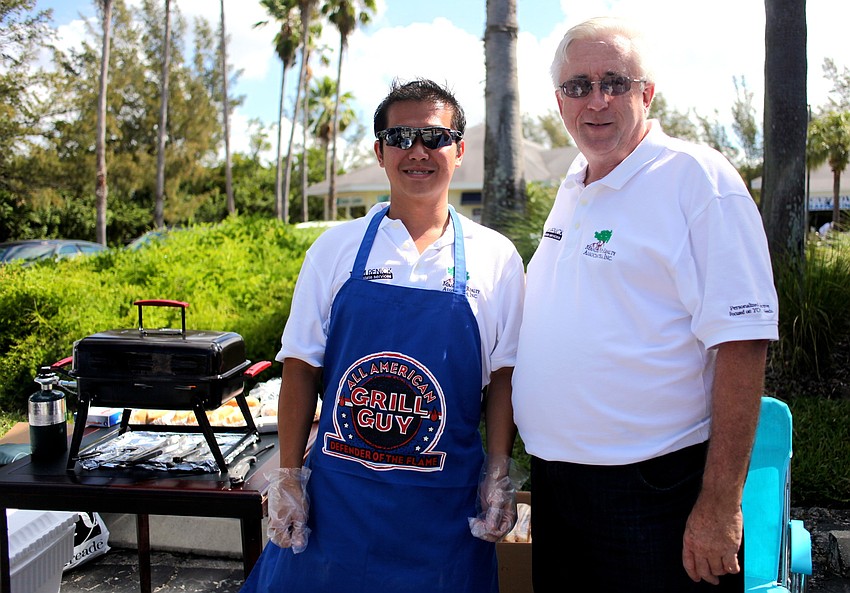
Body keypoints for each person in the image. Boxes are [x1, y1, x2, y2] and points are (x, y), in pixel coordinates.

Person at [511, 16, 779, 592]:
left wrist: (718, 507)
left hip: (656, 495)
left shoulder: (697, 179)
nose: (597, 100)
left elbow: (743, 342)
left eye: (615, 81)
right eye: (578, 86)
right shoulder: (573, 186)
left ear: (647, 93)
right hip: (559, 489)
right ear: (560, 102)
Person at [240, 78, 526, 593]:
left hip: (444, 506)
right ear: (379, 151)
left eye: (434, 138)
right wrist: (289, 480)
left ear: (459, 150)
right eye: (400, 138)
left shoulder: (496, 257)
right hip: (340, 504)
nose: (417, 151)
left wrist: (498, 473)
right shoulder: (335, 250)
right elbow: (300, 366)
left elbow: (504, 377)